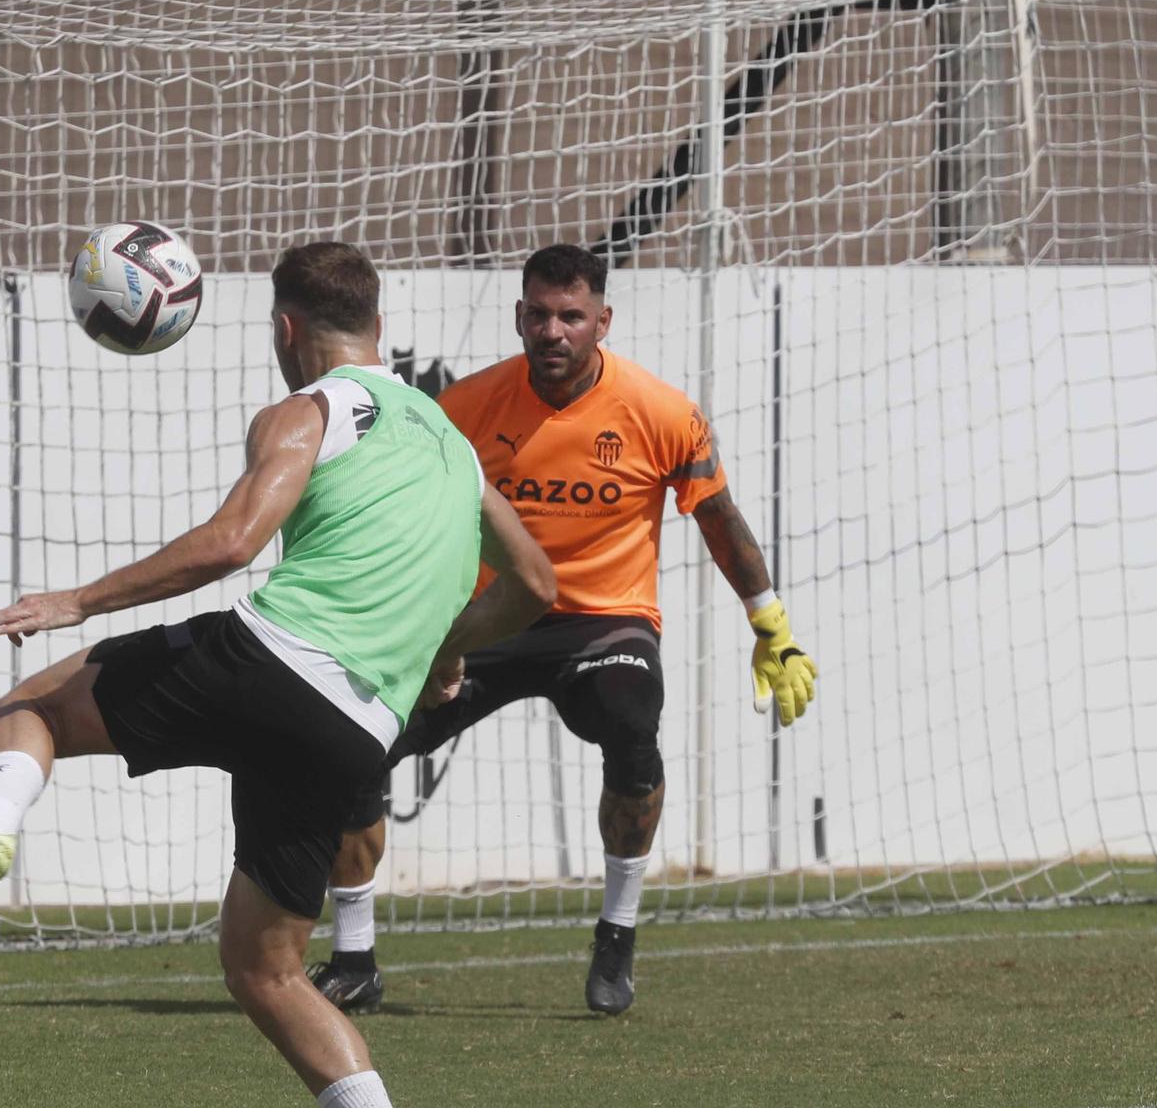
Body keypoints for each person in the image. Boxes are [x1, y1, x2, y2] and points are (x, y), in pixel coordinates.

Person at [0, 241, 556, 1108]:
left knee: (32, 701)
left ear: (285, 330)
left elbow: (230, 542)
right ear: (380, 325)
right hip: (357, 726)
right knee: (265, 966)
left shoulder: (308, 410)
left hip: (269, 661)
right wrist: (441, 648)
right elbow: (534, 582)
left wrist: (74, 600)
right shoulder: (448, 438)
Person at [308, 243, 816, 1017]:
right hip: (489, 622)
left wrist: (769, 621)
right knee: (357, 749)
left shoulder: (661, 413)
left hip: (605, 625)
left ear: (602, 322)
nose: (554, 331)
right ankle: (354, 959)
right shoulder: (466, 408)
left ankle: (616, 937)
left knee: (632, 724)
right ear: (519, 316)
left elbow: (718, 517)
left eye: (572, 316)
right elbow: (414, 520)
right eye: (539, 314)